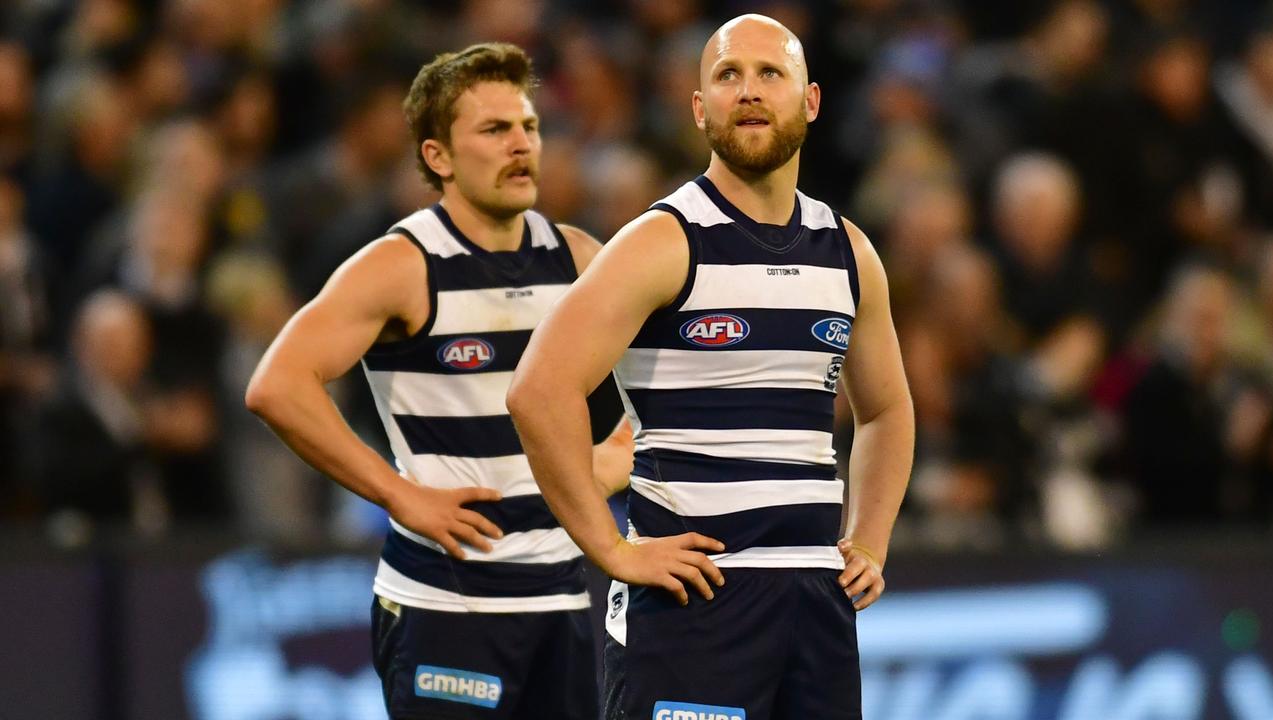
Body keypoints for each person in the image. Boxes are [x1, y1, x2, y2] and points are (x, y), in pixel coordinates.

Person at [507, 15, 915, 720]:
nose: (749, 91)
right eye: (728, 75)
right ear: (700, 110)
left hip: (816, 604)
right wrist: (609, 548)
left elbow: (886, 409)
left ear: (810, 101)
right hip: (692, 605)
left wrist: (870, 540)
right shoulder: (663, 241)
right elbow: (538, 391)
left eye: (769, 74)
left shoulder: (849, 253)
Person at [245, 43, 630, 720]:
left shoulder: (578, 258)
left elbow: (649, 401)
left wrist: (608, 464)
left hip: (562, 600)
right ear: (438, 158)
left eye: (529, 127)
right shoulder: (403, 264)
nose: (520, 145)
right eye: (494, 129)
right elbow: (278, 385)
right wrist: (400, 495)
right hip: (447, 604)